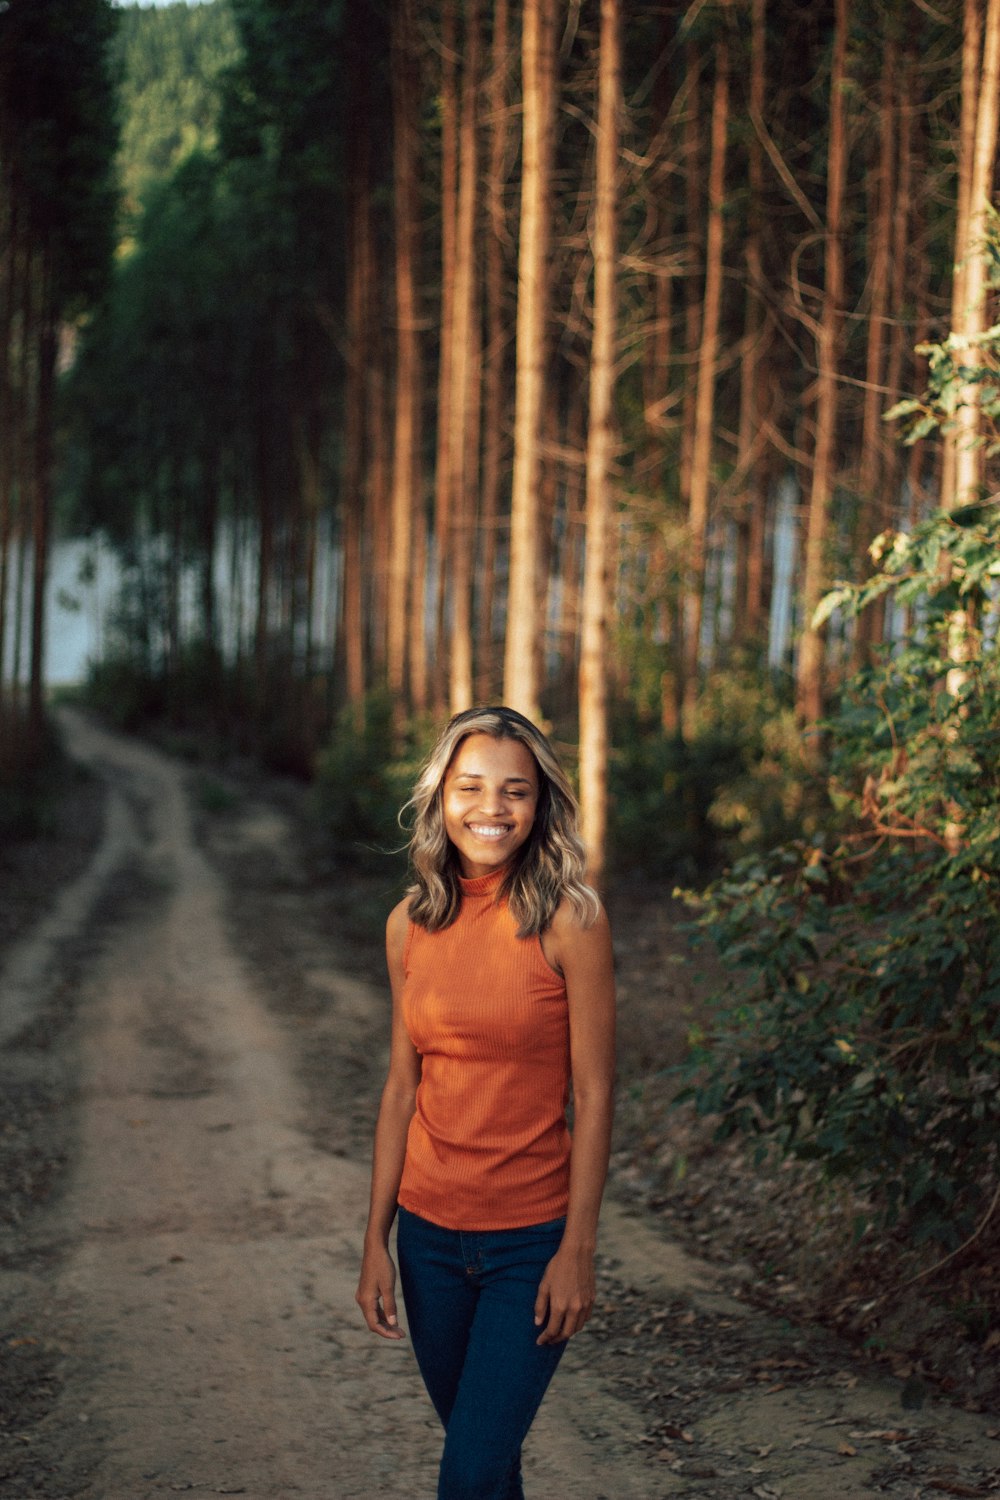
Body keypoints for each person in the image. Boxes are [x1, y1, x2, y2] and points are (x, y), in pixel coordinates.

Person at [355, 705, 616, 1500]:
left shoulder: (571, 920)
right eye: (470, 787)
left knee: (468, 1475)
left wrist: (577, 1250)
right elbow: (403, 1086)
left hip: (528, 1248)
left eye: (516, 791)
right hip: (430, 1245)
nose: (491, 809)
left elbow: (596, 1091)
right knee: (487, 1465)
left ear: (541, 806)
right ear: (440, 798)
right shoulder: (409, 925)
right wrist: (376, 1239)